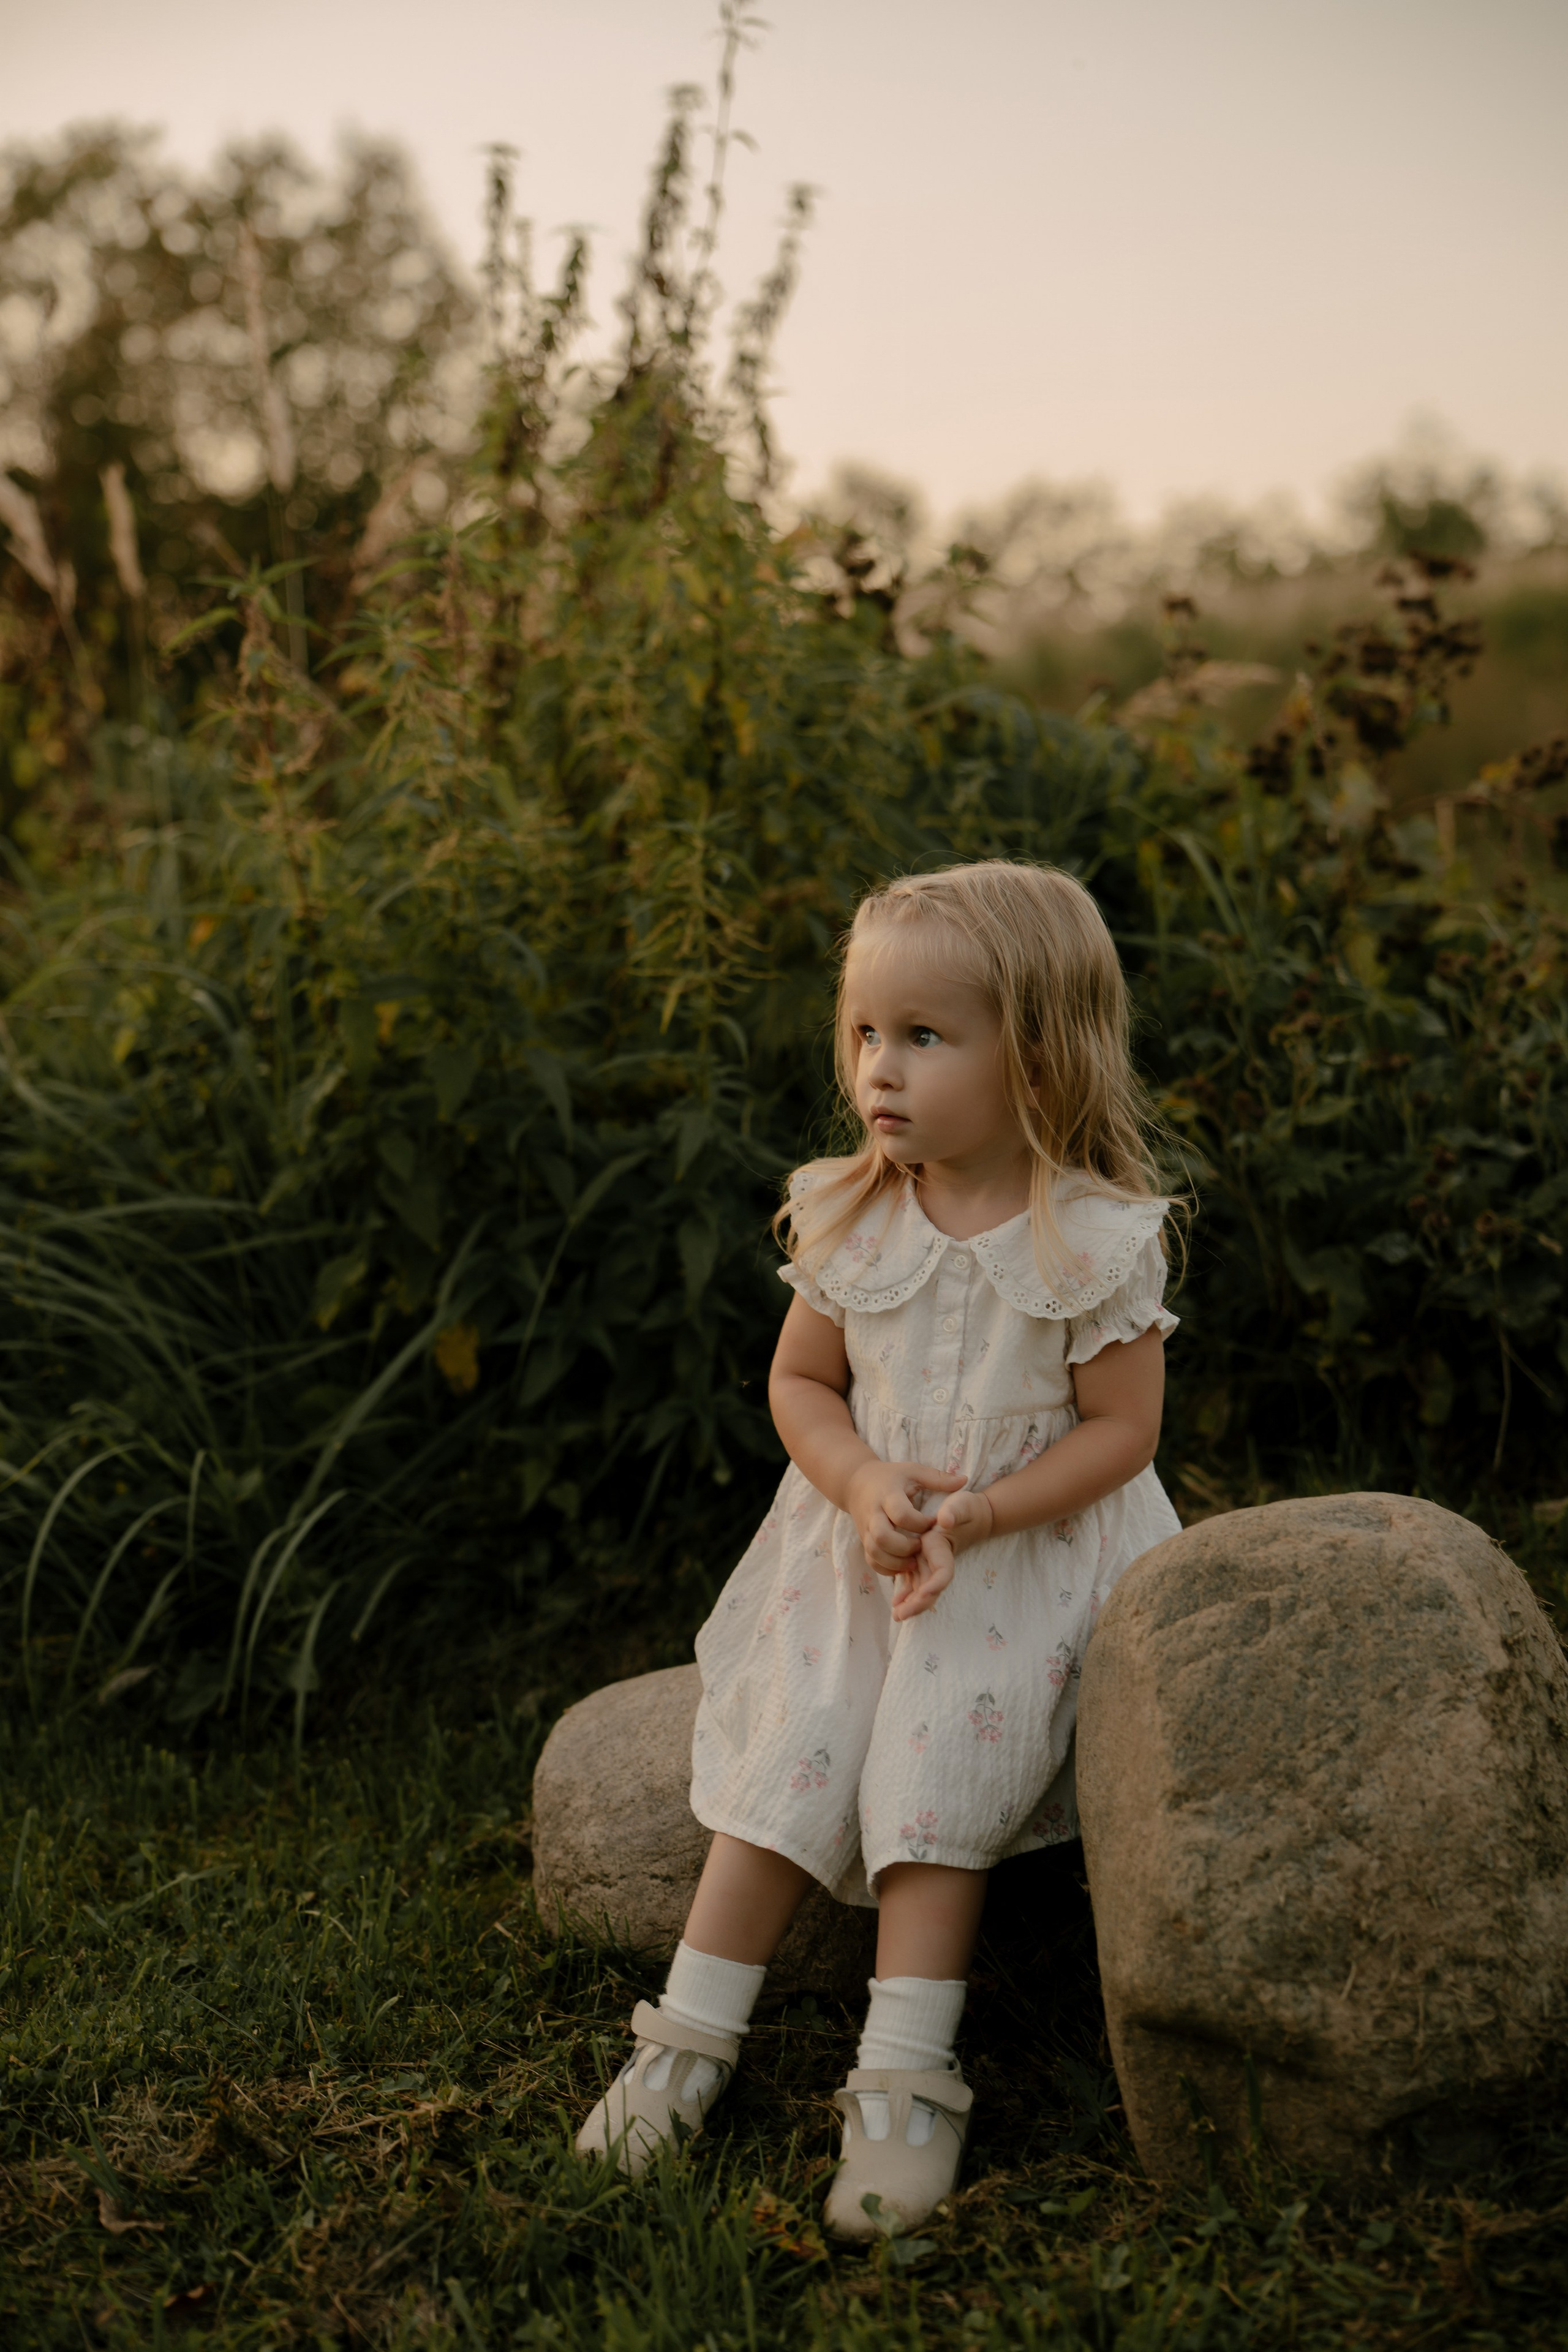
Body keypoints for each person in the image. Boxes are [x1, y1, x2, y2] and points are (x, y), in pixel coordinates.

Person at [575, 859, 1183, 2236]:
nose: (878, 1072)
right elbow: (801, 1387)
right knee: (798, 1743)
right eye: (863, 1032)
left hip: (1021, 1557)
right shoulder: (853, 1214)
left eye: (922, 1036)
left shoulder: (1085, 1238)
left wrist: (980, 1510)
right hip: (863, 1546)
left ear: (1034, 1052)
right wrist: (857, 1485)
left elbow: (1120, 1433)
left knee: (937, 1761)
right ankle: (683, 2038)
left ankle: (904, 2075)